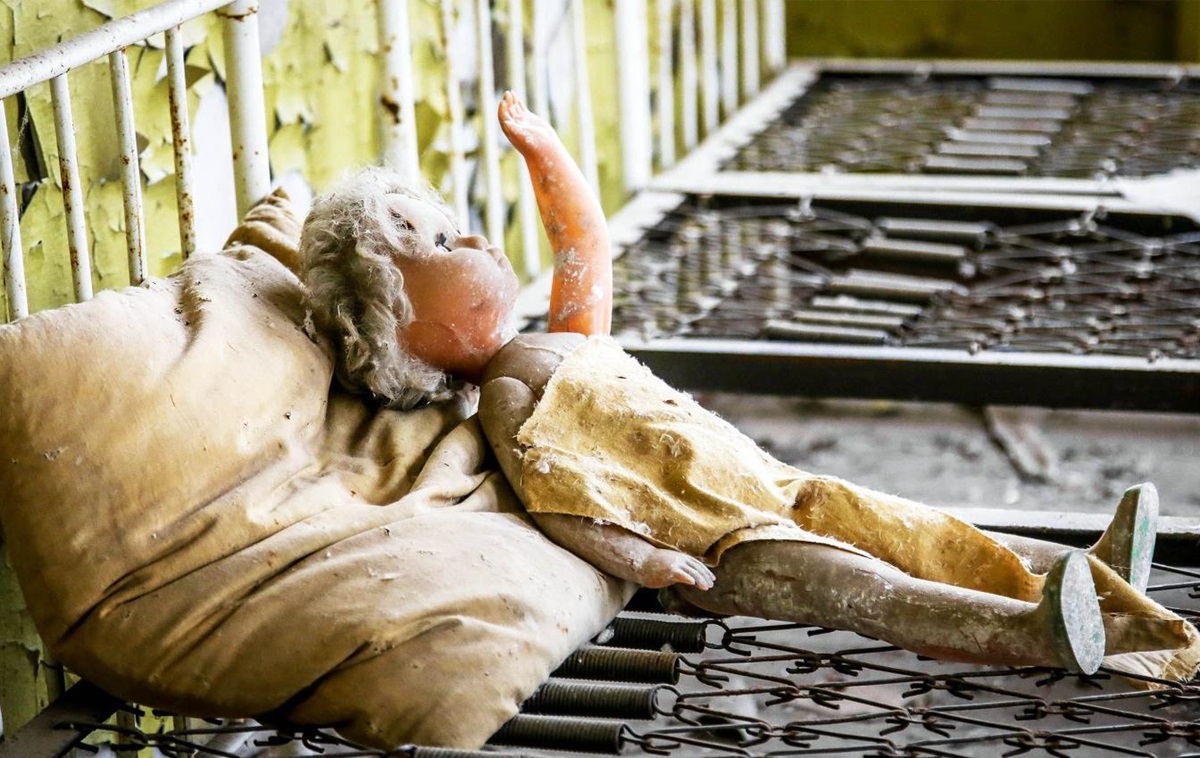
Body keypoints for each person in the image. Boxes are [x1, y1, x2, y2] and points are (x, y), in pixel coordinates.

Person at [298, 92, 1199, 679]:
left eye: (454, 223)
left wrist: (543, 153)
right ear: (410, 328)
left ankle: (1089, 570)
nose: (474, 238)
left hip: (771, 485)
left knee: (914, 527)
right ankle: (1033, 631)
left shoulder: (560, 340)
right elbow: (554, 500)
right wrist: (645, 563)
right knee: (869, 587)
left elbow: (584, 245)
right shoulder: (504, 397)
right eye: (438, 243)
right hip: (720, 543)